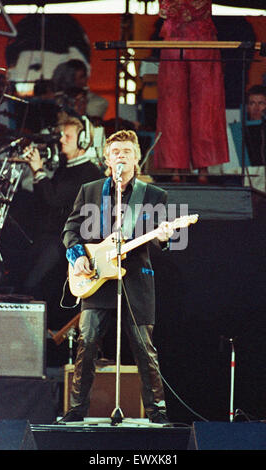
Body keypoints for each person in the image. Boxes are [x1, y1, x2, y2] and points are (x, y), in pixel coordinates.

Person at [58, 129, 174, 424]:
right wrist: (79, 256)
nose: (120, 157)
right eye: (115, 153)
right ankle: (75, 409)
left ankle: (156, 411)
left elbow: (163, 242)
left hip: (135, 280)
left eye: (126, 152)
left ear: (137, 159)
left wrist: (165, 236)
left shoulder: (154, 195)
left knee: (144, 350)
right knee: (87, 343)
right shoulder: (90, 190)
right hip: (97, 278)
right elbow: (71, 230)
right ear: (107, 159)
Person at [23, 115, 102, 328]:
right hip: (54, 237)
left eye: (68, 136)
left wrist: (38, 170)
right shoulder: (67, 167)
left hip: (66, 243)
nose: (62, 140)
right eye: (61, 136)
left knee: (33, 283)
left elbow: (54, 199)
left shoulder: (87, 172)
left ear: (83, 140)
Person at [154, 0, 229, 182]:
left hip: (202, 37)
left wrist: (179, 9)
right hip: (174, 36)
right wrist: (178, 10)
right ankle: (176, 167)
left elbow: (198, 7)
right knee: (172, 105)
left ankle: (204, 167)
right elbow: (164, 11)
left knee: (205, 104)